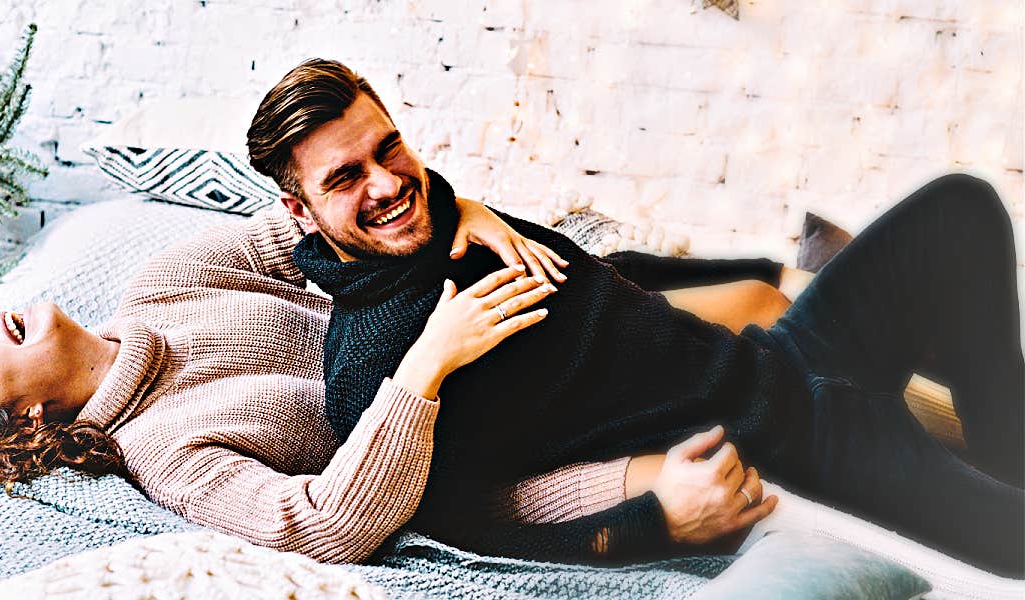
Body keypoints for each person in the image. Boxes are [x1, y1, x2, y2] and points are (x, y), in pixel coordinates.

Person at [252, 58, 1024, 576]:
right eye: (347, 178)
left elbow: (591, 285)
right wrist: (652, 525)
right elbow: (473, 530)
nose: (387, 184)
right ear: (299, 208)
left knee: (961, 206)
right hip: (791, 447)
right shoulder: (380, 367)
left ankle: (1009, 446)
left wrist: (471, 207)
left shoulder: (448, 221)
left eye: (391, 149)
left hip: (780, 358)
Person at [0, 187, 796, 564]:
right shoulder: (166, 452)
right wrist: (427, 363)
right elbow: (325, 526)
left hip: (521, 321)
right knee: (720, 453)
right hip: (485, 439)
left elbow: (320, 228)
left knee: (758, 297)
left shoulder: (166, 284)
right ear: (24, 418)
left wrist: (462, 206)